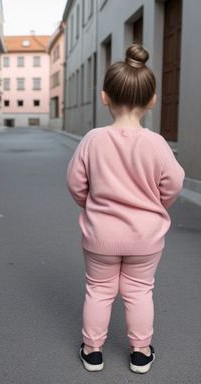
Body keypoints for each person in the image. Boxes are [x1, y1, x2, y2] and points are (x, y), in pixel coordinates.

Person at [67, 44, 185, 374]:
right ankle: (141, 352)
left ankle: (92, 351)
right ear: (152, 101)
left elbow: (76, 183)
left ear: (105, 97)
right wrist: (155, 206)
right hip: (145, 238)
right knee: (139, 291)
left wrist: (91, 205)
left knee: (99, 290)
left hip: (100, 236)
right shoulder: (157, 144)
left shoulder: (91, 140)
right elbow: (174, 182)